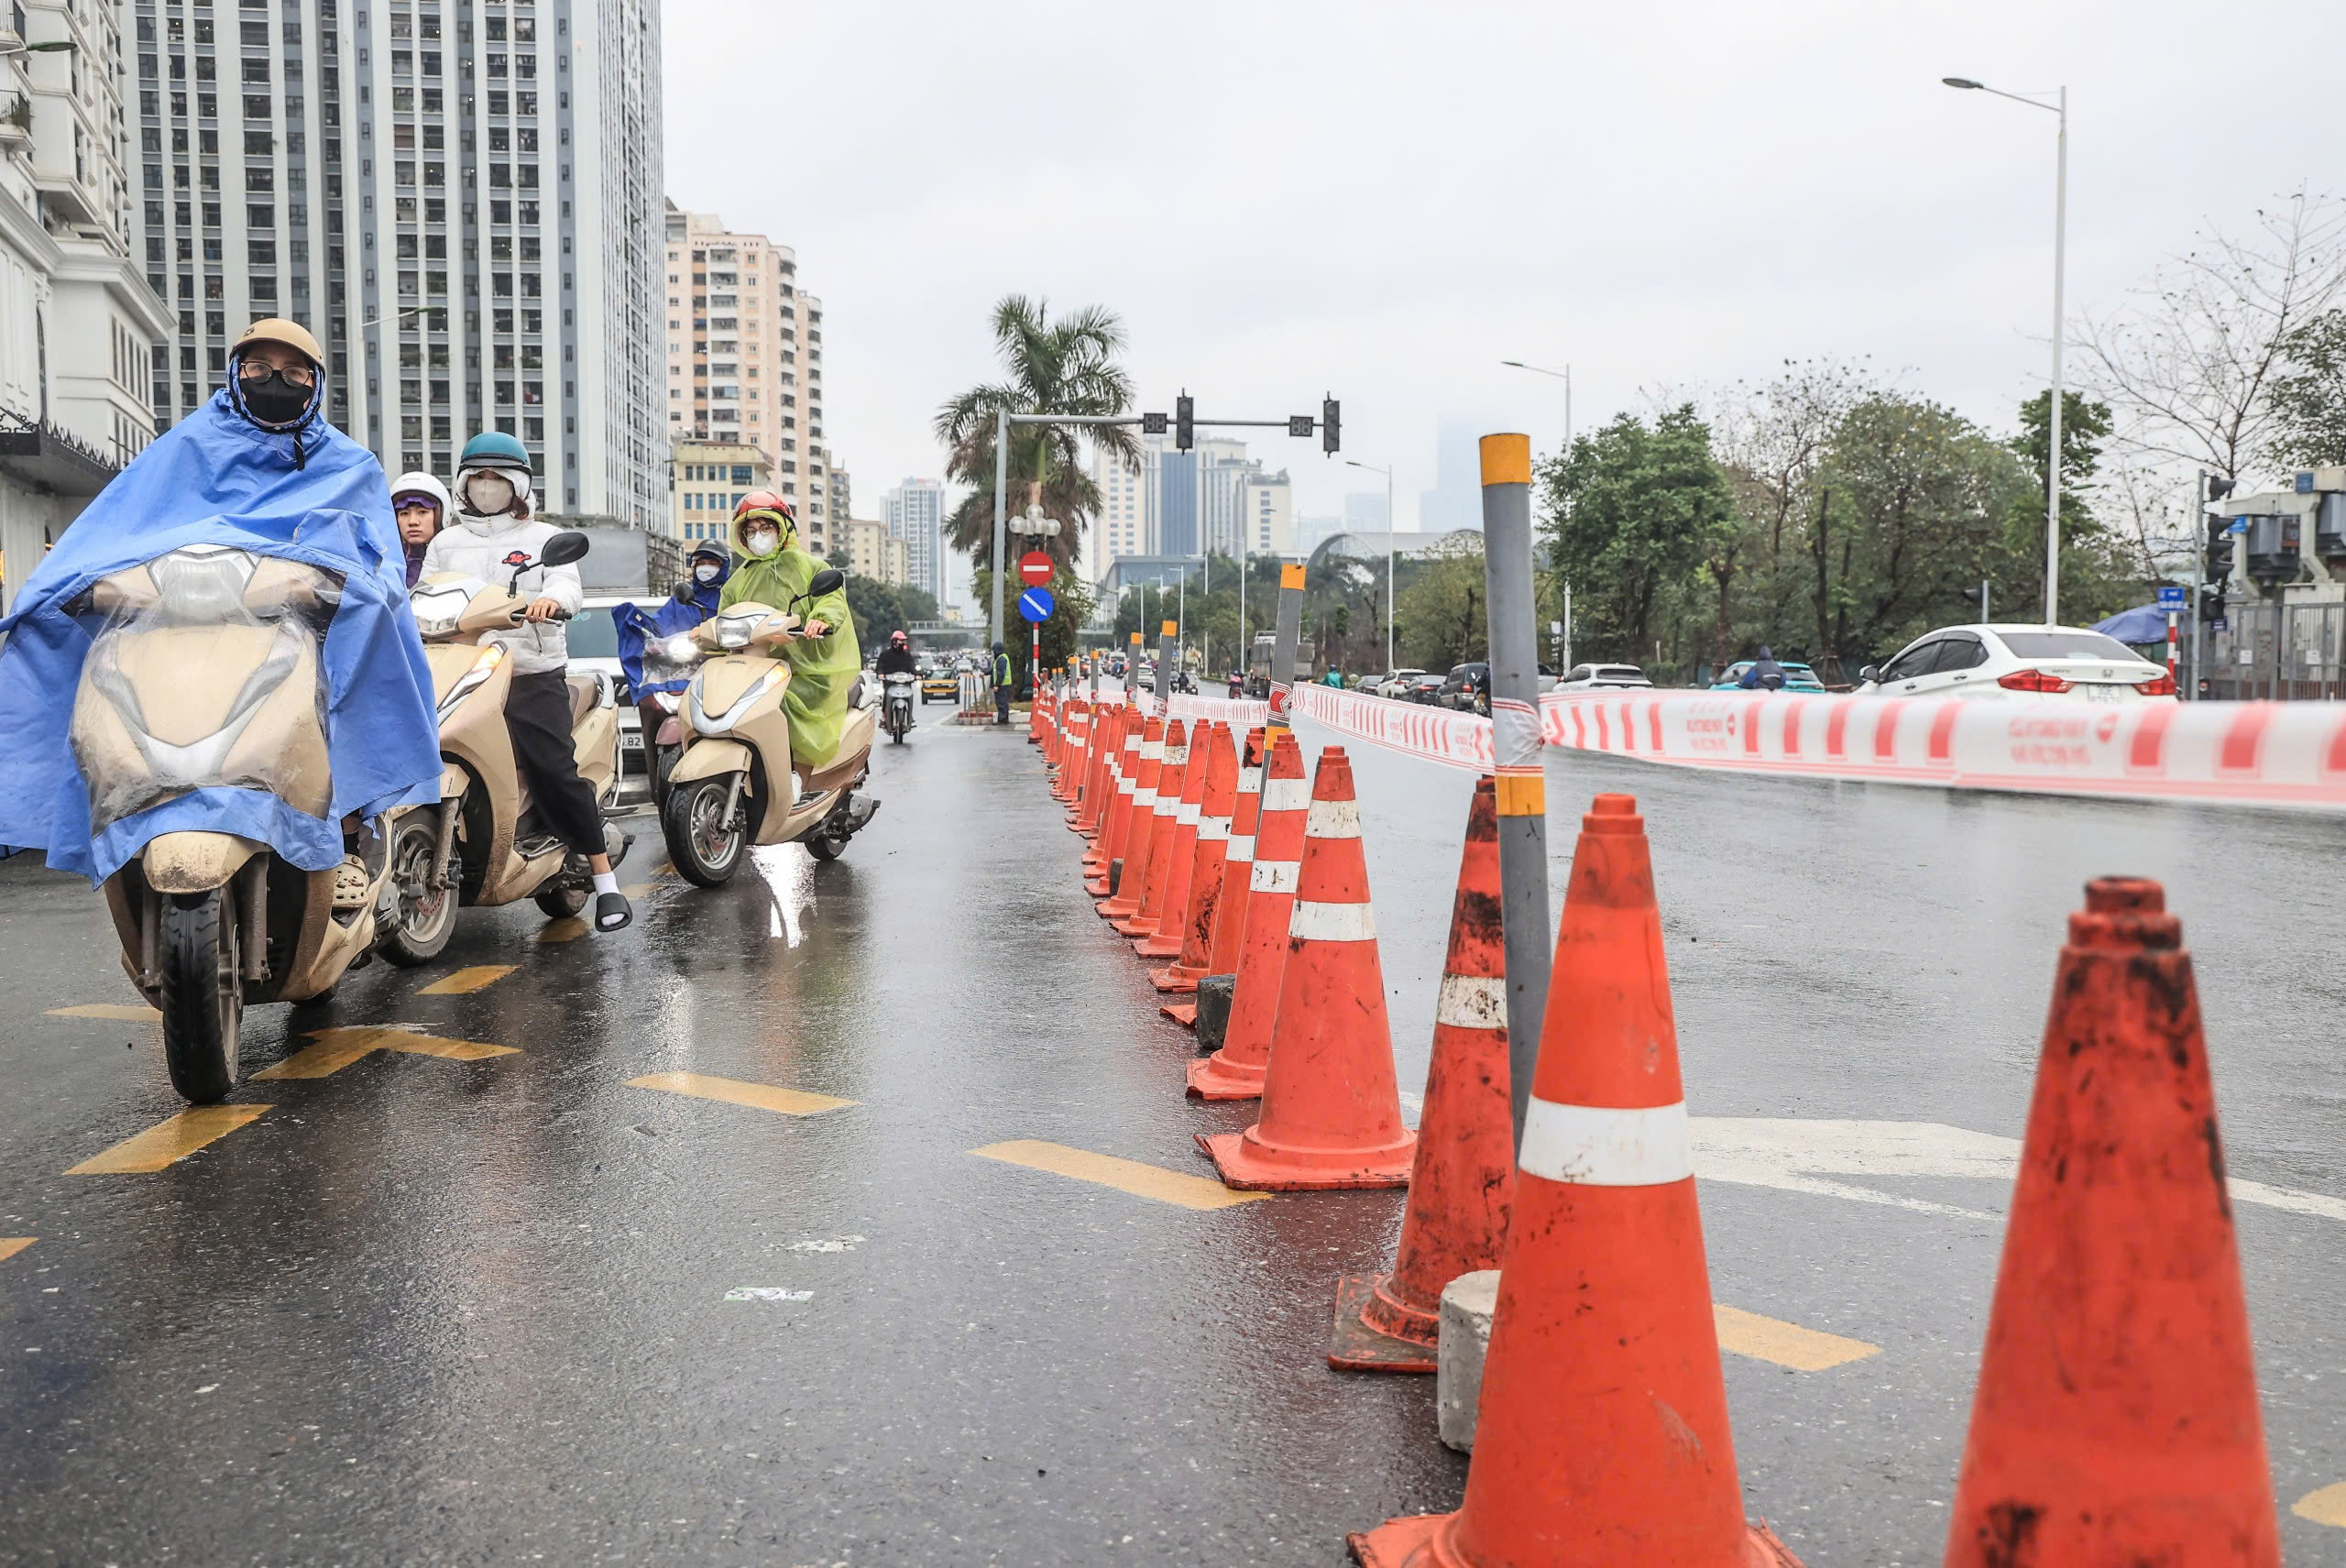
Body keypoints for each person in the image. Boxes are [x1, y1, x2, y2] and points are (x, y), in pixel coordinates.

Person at [0, 318, 440, 888]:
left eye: (294, 372)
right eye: (259, 369)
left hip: (295, 629)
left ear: (316, 384)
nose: (275, 382)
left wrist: (342, 583)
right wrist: (57, 590)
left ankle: (352, 820)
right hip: (183, 631)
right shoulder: (187, 446)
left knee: (368, 631)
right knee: (46, 626)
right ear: (235, 373)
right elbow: (114, 533)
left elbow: (369, 558)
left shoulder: (348, 464)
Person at [421, 430, 631, 933]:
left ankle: (604, 882)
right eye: (479, 478)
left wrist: (552, 601)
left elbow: (565, 582)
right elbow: (424, 592)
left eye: (498, 478)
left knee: (553, 769)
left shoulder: (542, 538)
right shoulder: (445, 543)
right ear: (464, 484)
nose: (487, 487)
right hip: (462, 667)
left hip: (530, 672)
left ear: (518, 484)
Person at [718, 492, 861, 765]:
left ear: (782, 528)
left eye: (765, 528)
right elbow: (724, 616)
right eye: (750, 531)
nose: (758, 536)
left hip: (805, 671)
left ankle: (796, 772)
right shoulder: (738, 580)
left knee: (782, 707)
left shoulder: (811, 566)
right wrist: (702, 632)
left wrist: (821, 619)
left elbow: (831, 600)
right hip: (750, 670)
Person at [392, 472, 450, 589]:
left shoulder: (455, 556)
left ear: (440, 516)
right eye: (404, 513)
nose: (413, 521)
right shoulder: (384, 563)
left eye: (422, 512)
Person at [991, 641, 1013, 724]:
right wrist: (985, 673)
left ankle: (1002, 719)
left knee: (1001, 702)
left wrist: (997, 685)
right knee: (1002, 702)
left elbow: (1000, 673)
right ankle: (1003, 718)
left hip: (1002, 685)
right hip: (1003, 684)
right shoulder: (1001, 658)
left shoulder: (1001, 659)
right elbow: (994, 670)